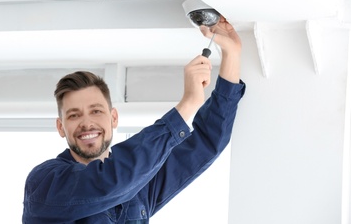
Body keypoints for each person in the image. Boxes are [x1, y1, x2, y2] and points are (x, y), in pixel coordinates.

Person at [22, 16, 246, 223]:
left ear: (114, 118)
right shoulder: (45, 183)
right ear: (61, 127)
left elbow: (205, 143)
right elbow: (110, 182)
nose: (86, 122)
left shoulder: (140, 183)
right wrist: (186, 106)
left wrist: (231, 54)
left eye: (96, 111)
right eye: (74, 115)